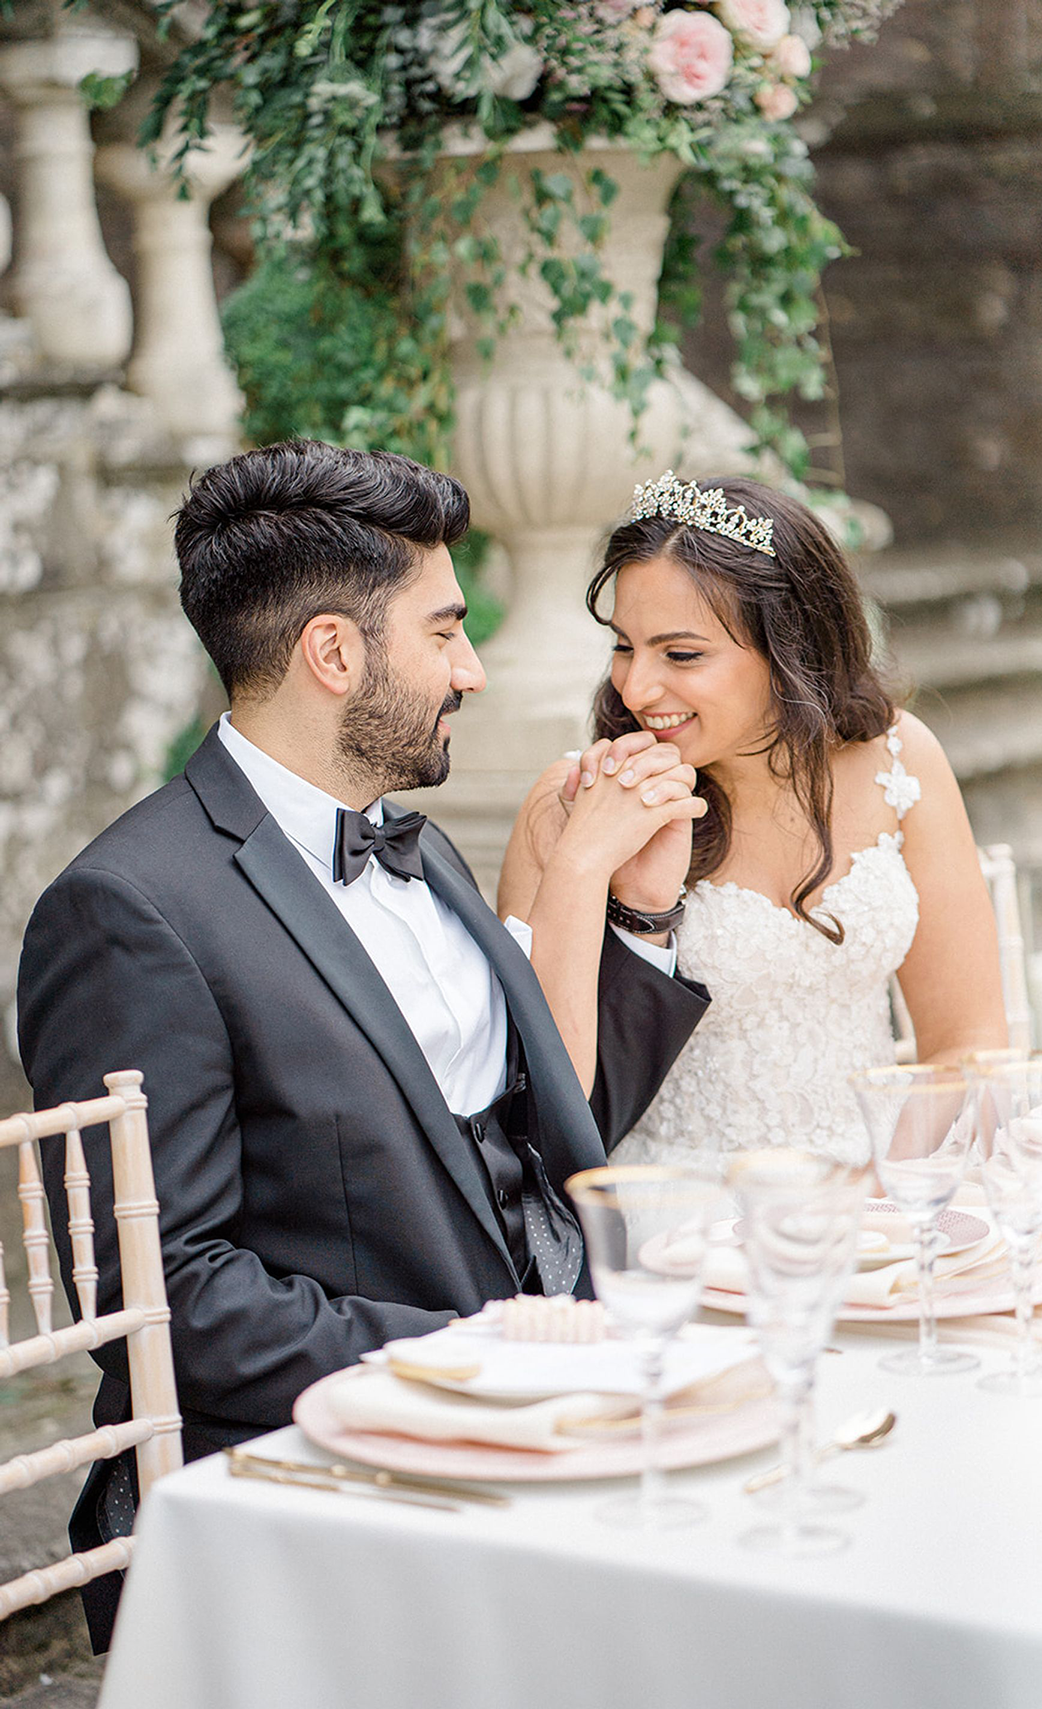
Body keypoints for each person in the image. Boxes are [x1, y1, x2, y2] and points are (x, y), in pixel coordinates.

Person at [17, 441, 710, 1649]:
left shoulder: (413, 843)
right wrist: (479, 1349)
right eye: (444, 631)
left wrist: (636, 914)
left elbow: (540, 1132)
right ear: (333, 654)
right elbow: (165, 1300)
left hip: (549, 1423)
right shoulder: (131, 909)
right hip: (337, 1492)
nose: (475, 669)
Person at [499, 470, 1008, 1171]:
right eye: (624, 646)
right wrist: (586, 865)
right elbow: (542, 1107)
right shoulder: (571, 805)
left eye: (681, 654)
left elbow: (968, 1040)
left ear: (789, 647)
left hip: (874, 1207)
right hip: (672, 1227)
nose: (636, 687)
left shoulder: (901, 757)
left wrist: (888, 1195)